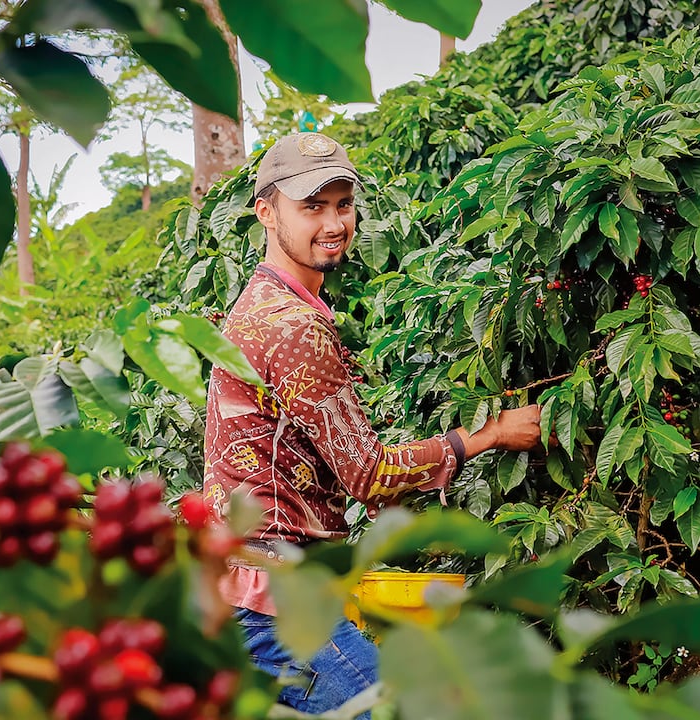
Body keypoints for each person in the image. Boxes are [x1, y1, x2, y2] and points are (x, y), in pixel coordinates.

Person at [202, 132, 543, 717]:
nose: (334, 223)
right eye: (312, 207)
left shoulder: (265, 301)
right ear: (266, 212)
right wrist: (488, 433)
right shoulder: (292, 326)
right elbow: (368, 473)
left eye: (343, 204)